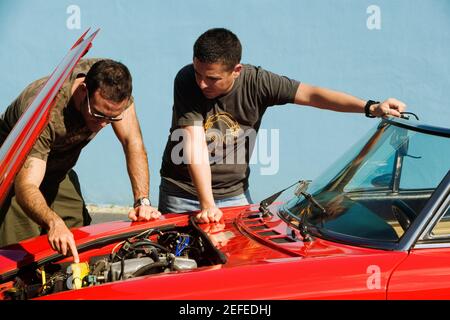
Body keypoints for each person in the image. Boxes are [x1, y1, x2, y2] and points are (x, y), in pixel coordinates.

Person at [158, 28, 406, 223]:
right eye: (198, 73)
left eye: (212, 78)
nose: (202, 83)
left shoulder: (258, 82)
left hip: (233, 195)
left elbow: (313, 95)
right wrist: (207, 204)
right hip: (182, 193)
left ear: (236, 70)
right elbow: (193, 143)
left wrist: (370, 107)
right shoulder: (186, 80)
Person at [0, 58, 161, 261]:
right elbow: (27, 185)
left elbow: (132, 142)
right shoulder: (46, 111)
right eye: (97, 114)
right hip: (16, 173)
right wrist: (53, 223)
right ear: (83, 90)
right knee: (22, 252)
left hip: (58, 168)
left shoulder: (112, 87)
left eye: (112, 118)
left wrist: (142, 201)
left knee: (78, 234)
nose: (103, 124)